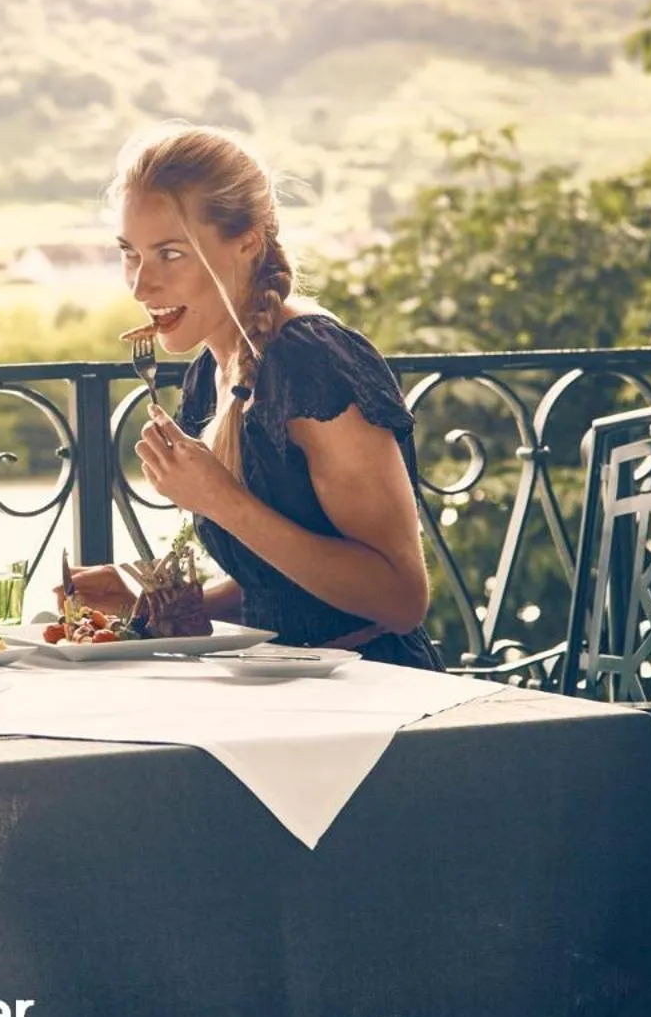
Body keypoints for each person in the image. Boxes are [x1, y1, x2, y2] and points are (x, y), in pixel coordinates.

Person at [69, 124, 443, 669]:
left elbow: (400, 600)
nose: (141, 285)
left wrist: (222, 501)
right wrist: (149, 606)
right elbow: (280, 586)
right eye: (131, 254)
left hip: (372, 688)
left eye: (170, 253)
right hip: (278, 683)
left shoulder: (312, 361)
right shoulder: (209, 374)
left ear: (246, 240)